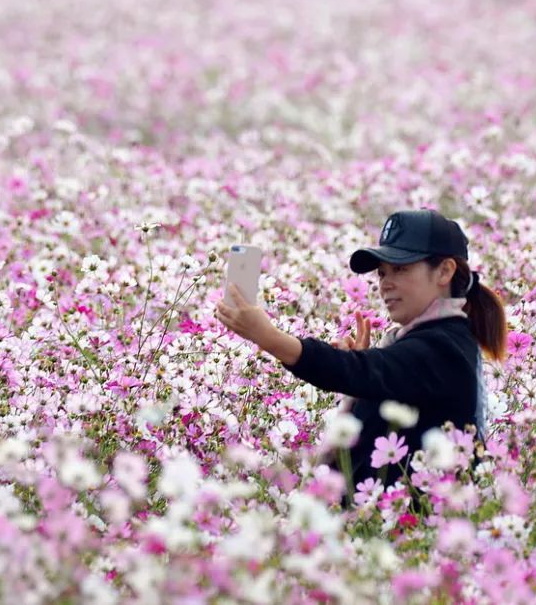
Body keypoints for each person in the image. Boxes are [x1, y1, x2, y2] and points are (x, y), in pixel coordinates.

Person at [215, 208, 508, 507]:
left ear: (444, 271)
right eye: (382, 272)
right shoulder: (422, 342)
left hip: (409, 538)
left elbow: (368, 370)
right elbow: (379, 375)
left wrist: (271, 338)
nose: (385, 283)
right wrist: (367, 376)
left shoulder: (445, 347)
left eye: (401, 269)